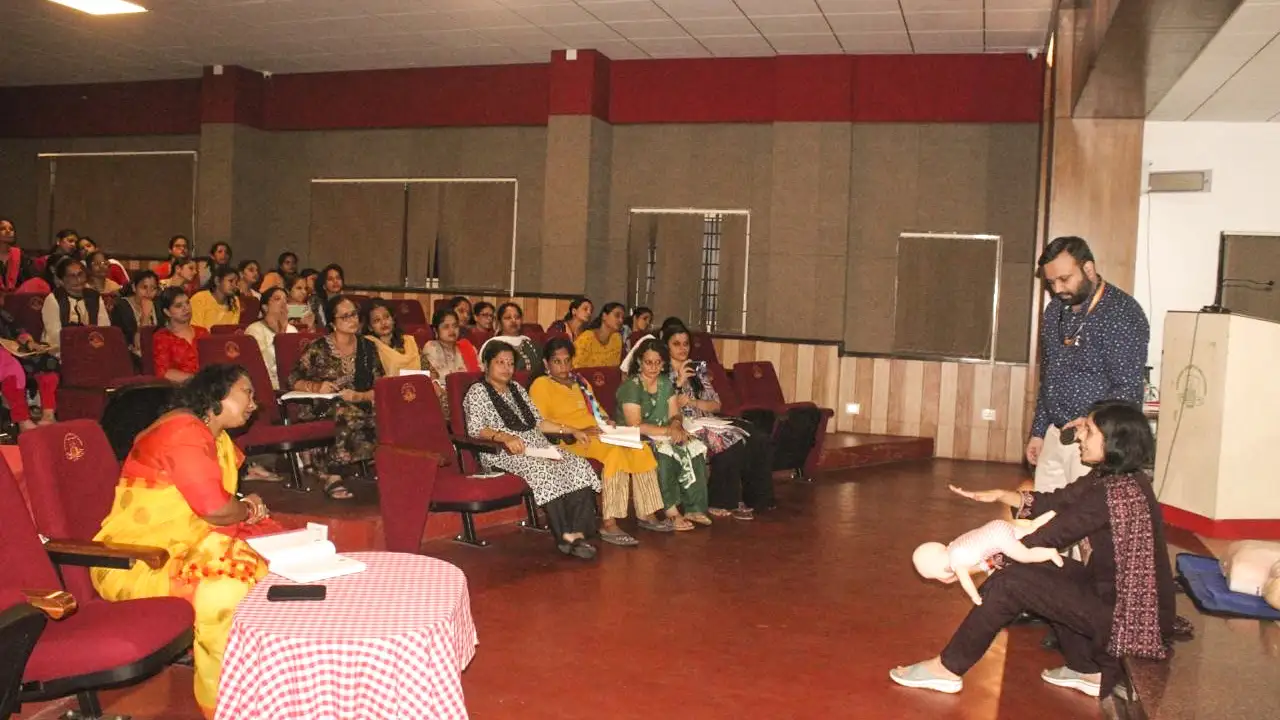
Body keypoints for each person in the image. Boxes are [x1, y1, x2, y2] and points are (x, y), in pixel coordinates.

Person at [891, 400, 1179, 701]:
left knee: (1011, 582)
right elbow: (1056, 501)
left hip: (1131, 620)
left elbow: (1046, 537)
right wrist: (1002, 495)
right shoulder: (1115, 478)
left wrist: (972, 565)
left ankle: (946, 669)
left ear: (1114, 441)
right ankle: (1086, 668)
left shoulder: (1112, 493)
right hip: (1110, 596)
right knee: (1038, 571)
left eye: (1088, 430)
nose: (1079, 436)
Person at [91, 364, 279, 718]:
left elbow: (219, 506)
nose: (255, 402)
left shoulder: (212, 436)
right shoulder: (184, 432)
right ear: (216, 395)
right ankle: (227, 704)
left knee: (275, 555)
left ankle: (267, 684)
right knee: (227, 586)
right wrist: (246, 507)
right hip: (137, 561)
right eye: (247, 392)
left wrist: (246, 509)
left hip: (182, 548)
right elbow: (216, 510)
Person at [1028, 236, 1149, 493]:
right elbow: (1049, 377)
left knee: (1082, 523)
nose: (1058, 289)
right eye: (1051, 282)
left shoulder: (1121, 313)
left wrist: (1090, 426)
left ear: (1089, 269)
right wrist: (1039, 431)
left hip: (1092, 439)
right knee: (1044, 517)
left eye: (1064, 279)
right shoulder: (1054, 312)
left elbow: (1126, 388)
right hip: (1056, 433)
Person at [463, 340, 601, 559]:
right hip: (502, 451)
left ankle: (578, 532)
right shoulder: (477, 392)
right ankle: (565, 536)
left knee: (577, 464)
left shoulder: (517, 389)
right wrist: (504, 436)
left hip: (537, 446)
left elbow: (539, 422)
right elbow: (476, 429)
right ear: (486, 364)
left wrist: (571, 430)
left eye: (510, 363)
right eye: (500, 362)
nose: (507, 368)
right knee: (542, 470)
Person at [530, 337, 670, 546]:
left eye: (567, 361)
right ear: (546, 364)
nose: (563, 366)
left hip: (596, 433)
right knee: (615, 453)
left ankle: (647, 513)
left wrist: (607, 420)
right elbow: (540, 422)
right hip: (570, 438)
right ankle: (609, 522)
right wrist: (577, 430)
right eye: (557, 361)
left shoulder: (580, 381)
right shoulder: (541, 385)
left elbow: (597, 411)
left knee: (640, 447)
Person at [663, 321, 774, 518]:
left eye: (686, 344)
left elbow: (716, 404)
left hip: (707, 418)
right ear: (667, 346)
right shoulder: (662, 372)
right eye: (676, 344)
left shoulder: (697, 369)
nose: (682, 348)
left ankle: (757, 498)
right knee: (731, 441)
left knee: (758, 436)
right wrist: (679, 384)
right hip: (680, 423)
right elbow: (666, 407)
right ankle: (721, 500)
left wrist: (694, 402)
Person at [287, 295, 382, 500]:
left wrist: (360, 395)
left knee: (387, 412)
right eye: (345, 316)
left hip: (359, 400)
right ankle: (333, 474)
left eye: (354, 314)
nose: (352, 320)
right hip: (323, 403)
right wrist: (317, 386)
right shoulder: (318, 348)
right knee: (346, 412)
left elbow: (380, 385)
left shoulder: (368, 348)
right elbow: (293, 379)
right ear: (332, 323)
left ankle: (386, 468)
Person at [616, 337, 710, 531]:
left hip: (662, 432)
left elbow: (675, 413)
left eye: (658, 362)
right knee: (664, 453)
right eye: (649, 362)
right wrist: (669, 431)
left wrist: (676, 425)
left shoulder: (665, 383)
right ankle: (671, 511)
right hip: (634, 437)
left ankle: (694, 507)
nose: (653, 367)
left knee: (693, 446)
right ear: (640, 362)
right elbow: (636, 424)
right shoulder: (631, 387)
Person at [0, 307, 58, 431]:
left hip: (10, 348)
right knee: (11, 367)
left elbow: (17, 330)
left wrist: (29, 342)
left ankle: (48, 413)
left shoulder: (2, 313)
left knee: (46, 360)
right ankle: (22, 420)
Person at [40, 256, 110, 354]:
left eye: (80, 274)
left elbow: (104, 327)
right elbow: (55, 336)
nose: (78, 280)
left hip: (93, 348)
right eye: (72, 276)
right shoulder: (53, 299)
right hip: (61, 351)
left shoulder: (94, 296)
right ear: (61, 280)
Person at [420, 308, 479, 414]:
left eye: (455, 326)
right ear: (435, 330)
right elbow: (433, 381)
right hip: (442, 402)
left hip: (470, 399)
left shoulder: (468, 348)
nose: (452, 330)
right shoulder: (431, 347)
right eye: (446, 327)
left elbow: (479, 376)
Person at [244, 287, 297, 390]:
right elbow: (265, 366)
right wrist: (281, 333)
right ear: (265, 307)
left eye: (286, 300)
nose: (283, 303)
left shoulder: (292, 330)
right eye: (277, 299)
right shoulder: (254, 330)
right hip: (268, 387)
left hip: (292, 385)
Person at [152, 287, 208, 383]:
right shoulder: (162, 337)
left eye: (187, 303)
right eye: (178, 306)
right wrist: (196, 380)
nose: (186, 308)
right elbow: (164, 372)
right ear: (167, 312)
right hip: (179, 390)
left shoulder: (202, 332)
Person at [109, 270, 159, 363]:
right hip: (129, 356)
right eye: (144, 287)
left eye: (153, 288)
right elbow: (137, 344)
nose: (148, 293)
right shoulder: (122, 307)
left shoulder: (158, 305)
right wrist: (145, 317)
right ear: (134, 287)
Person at [363, 298, 420, 377]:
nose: (383, 322)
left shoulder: (409, 341)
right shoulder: (369, 345)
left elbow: (429, 370)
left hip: (416, 386)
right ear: (370, 327)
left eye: (386, 317)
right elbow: (374, 378)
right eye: (377, 320)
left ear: (393, 319)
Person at [573, 301, 624, 368]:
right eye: (617, 315)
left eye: (623, 317)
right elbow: (575, 367)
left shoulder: (617, 339)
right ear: (604, 316)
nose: (621, 320)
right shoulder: (587, 338)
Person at [491, 302, 540, 371]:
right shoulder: (493, 345)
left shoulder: (531, 344)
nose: (513, 321)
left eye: (517, 317)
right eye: (508, 318)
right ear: (499, 322)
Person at [189, 266, 241, 330]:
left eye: (236, 282)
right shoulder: (199, 298)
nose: (234, 285)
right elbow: (196, 329)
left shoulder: (234, 301)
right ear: (217, 281)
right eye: (231, 281)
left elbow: (233, 329)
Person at [0, 217, 35, 292]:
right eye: (2, 229)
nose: (8, 231)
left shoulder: (20, 255)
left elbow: (29, 282)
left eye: (11, 229)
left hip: (16, 299)